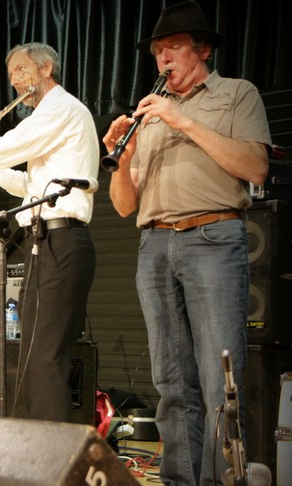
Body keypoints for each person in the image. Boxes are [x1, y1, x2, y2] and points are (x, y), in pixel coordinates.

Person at [102, 2, 271, 484]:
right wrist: (123, 157)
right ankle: (179, 480)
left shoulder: (236, 94)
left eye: (173, 47)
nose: (163, 58)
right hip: (155, 246)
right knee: (171, 383)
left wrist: (183, 121)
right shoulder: (149, 114)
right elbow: (123, 205)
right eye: (157, 51)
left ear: (203, 50)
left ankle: (220, 480)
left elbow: (256, 168)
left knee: (220, 382)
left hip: (213, 240)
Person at [0, 42, 98, 422]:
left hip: (61, 240)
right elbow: (31, 186)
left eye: (22, 70)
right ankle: (36, 443)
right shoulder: (50, 117)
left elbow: (0, 150)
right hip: (45, 242)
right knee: (32, 355)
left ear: (46, 68)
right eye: (11, 76)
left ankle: (52, 451)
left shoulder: (60, 108)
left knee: (44, 358)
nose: (15, 81)